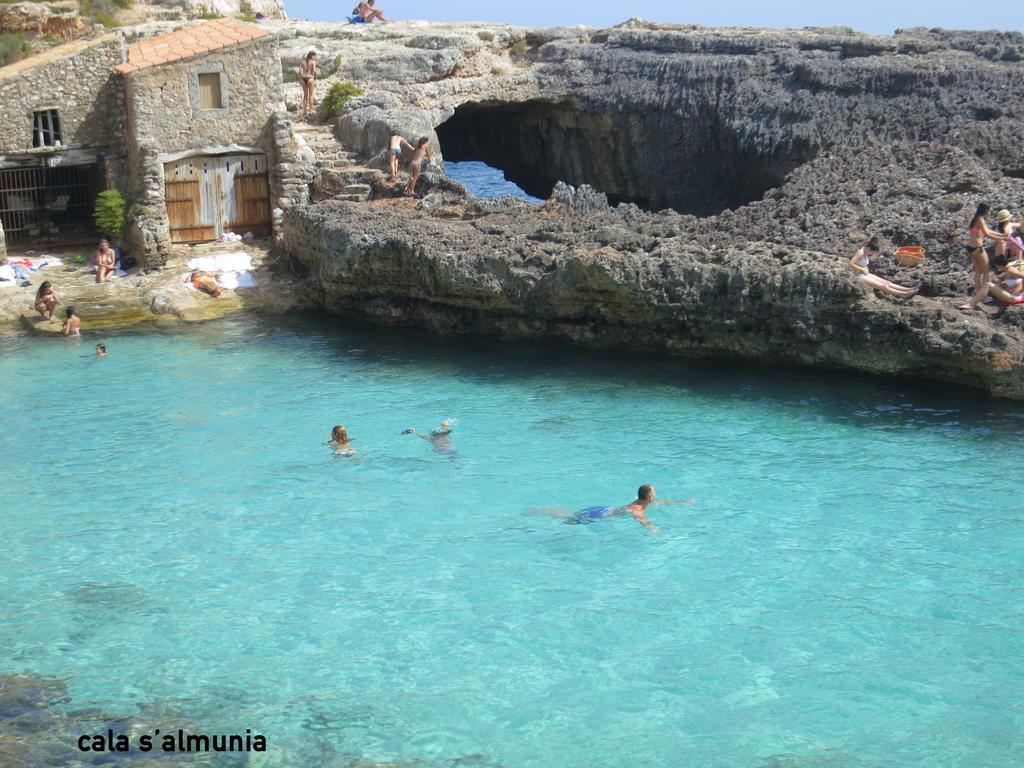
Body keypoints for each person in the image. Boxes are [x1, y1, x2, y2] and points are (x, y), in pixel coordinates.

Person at [533, 484, 695, 533]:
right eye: (654, 493)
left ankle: (544, 510)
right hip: (601, 515)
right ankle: (541, 513)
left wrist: (684, 502)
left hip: (605, 509)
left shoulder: (643, 501)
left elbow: (663, 502)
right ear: (650, 497)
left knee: (571, 514)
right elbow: (640, 518)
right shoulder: (637, 509)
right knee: (568, 519)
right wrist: (651, 527)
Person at [960, 202, 1008, 311]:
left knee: (977, 270)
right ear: (986, 210)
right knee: (986, 271)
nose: (990, 213)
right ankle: (983, 295)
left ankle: (977, 292)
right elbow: (987, 233)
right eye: (989, 211)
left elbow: (987, 231)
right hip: (978, 248)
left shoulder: (975, 219)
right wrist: (1003, 237)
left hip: (970, 247)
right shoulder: (980, 219)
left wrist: (1002, 236)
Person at [848, 236, 919, 298]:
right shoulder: (860, 252)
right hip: (857, 275)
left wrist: (864, 268)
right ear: (869, 248)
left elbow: (860, 264)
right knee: (883, 286)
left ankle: (907, 289)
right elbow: (850, 264)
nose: (871, 254)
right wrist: (862, 269)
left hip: (863, 273)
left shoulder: (865, 251)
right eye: (872, 253)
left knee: (887, 282)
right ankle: (904, 294)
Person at [298, 51, 318, 116]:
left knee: (305, 95)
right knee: (311, 95)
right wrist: (314, 78)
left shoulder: (302, 62)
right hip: (310, 78)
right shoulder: (313, 62)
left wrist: (300, 79)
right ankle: (311, 111)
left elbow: (300, 72)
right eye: (315, 56)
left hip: (303, 78)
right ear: (312, 56)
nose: (315, 58)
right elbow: (314, 71)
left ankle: (304, 111)